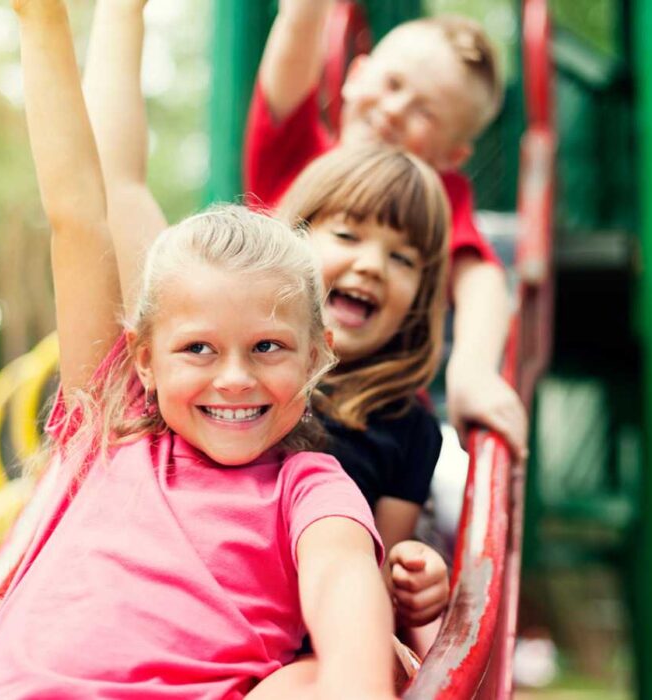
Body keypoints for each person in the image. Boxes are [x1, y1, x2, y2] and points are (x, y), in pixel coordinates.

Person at [0, 1, 397, 698]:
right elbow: (79, 216)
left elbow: (341, 581)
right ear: (144, 358)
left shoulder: (309, 488)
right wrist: (40, 24)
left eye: (267, 346)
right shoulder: (110, 437)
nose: (234, 378)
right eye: (198, 349)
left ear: (317, 354)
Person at [82, 0, 451, 640]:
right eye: (347, 234)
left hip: (287, 644)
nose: (372, 265)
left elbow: (376, 573)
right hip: (160, 620)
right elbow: (117, 188)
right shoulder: (199, 345)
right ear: (297, 239)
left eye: (402, 258)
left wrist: (414, 580)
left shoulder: (404, 424)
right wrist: (121, 16)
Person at [245, 1, 528, 461]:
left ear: (450, 157)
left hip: (366, 423)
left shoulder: (431, 201)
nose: (395, 110)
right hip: (252, 384)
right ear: (355, 76)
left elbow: (482, 279)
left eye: (426, 113)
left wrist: (473, 371)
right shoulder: (297, 152)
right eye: (393, 84)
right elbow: (296, 35)